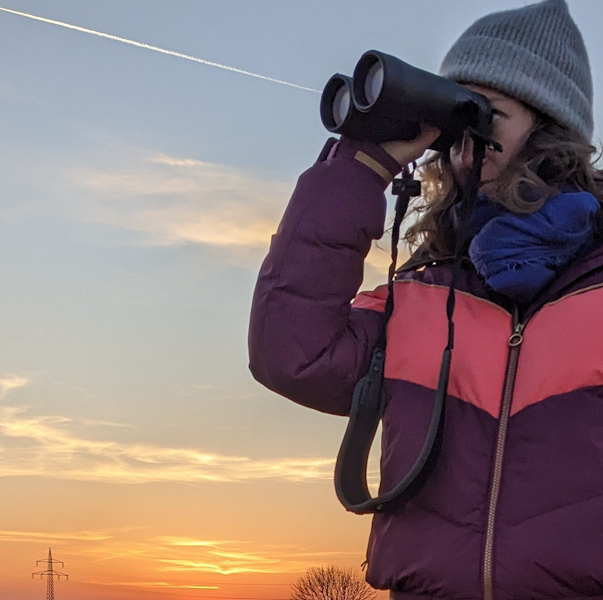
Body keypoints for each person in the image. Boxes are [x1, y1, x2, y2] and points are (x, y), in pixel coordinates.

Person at [248, 1, 603, 598]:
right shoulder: (420, 296)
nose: (468, 140)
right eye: (458, 111)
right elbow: (292, 354)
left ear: (550, 131)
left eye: (490, 114)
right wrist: (358, 170)